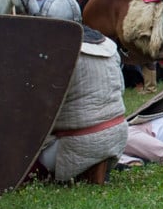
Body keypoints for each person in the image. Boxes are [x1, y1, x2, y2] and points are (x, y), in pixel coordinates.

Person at [34, 25, 128, 184]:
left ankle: (80, 166)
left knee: (22, 157)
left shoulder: (64, 55)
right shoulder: (111, 51)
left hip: (79, 142)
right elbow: (122, 90)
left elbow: (44, 107)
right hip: (118, 136)